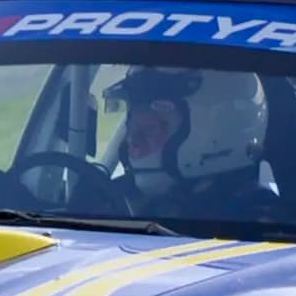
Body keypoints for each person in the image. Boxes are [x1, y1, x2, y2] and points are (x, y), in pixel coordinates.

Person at [109, 67, 278, 221]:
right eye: (130, 130)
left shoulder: (259, 226)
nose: (134, 145)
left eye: (149, 128)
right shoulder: (126, 201)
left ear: (218, 130)